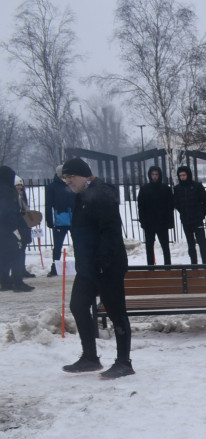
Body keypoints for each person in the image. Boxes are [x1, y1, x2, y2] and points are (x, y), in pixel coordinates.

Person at [60, 157, 134, 379]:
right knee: (78, 305)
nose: (68, 181)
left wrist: (102, 262)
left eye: (71, 176)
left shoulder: (101, 195)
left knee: (116, 312)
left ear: (84, 175)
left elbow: (110, 233)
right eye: (65, 178)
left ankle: (124, 363)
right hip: (88, 266)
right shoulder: (82, 195)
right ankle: (90, 358)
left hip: (107, 265)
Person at [0, 166, 33, 292]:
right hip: (11, 228)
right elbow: (9, 211)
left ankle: (5, 281)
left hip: (3, 229)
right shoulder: (7, 191)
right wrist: (17, 228)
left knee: (4, 256)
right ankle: (17, 282)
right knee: (17, 255)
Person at [137, 165, 174, 265]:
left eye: (156, 174)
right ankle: (150, 267)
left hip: (162, 222)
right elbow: (141, 206)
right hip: (149, 223)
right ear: (149, 175)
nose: (154, 176)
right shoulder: (144, 189)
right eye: (152, 174)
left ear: (160, 175)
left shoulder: (166, 189)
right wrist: (143, 221)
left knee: (165, 246)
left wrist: (169, 221)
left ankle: (168, 267)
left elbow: (170, 207)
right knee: (149, 246)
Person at [173, 166, 206, 264]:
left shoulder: (197, 186)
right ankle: (194, 265)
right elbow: (176, 203)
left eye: (184, 175)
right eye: (180, 175)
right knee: (191, 245)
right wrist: (183, 212)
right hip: (186, 220)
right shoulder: (177, 188)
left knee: (202, 244)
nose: (182, 177)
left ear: (188, 175)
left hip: (197, 219)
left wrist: (201, 214)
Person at [45, 166, 75, 276]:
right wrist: (49, 220)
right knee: (57, 246)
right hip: (60, 219)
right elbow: (48, 204)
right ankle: (55, 267)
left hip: (74, 218)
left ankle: (81, 266)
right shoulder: (52, 187)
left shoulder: (72, 184)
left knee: (78, 244)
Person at [14, 175, 34, 279]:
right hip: (18, 225)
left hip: (24, 224)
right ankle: (17, 270)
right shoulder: (13, 197)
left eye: (21, 185)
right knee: (18, 249)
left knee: (23, 248)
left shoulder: (22, 196)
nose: (19, 187)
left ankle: (22, 269)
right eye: (17, 185)